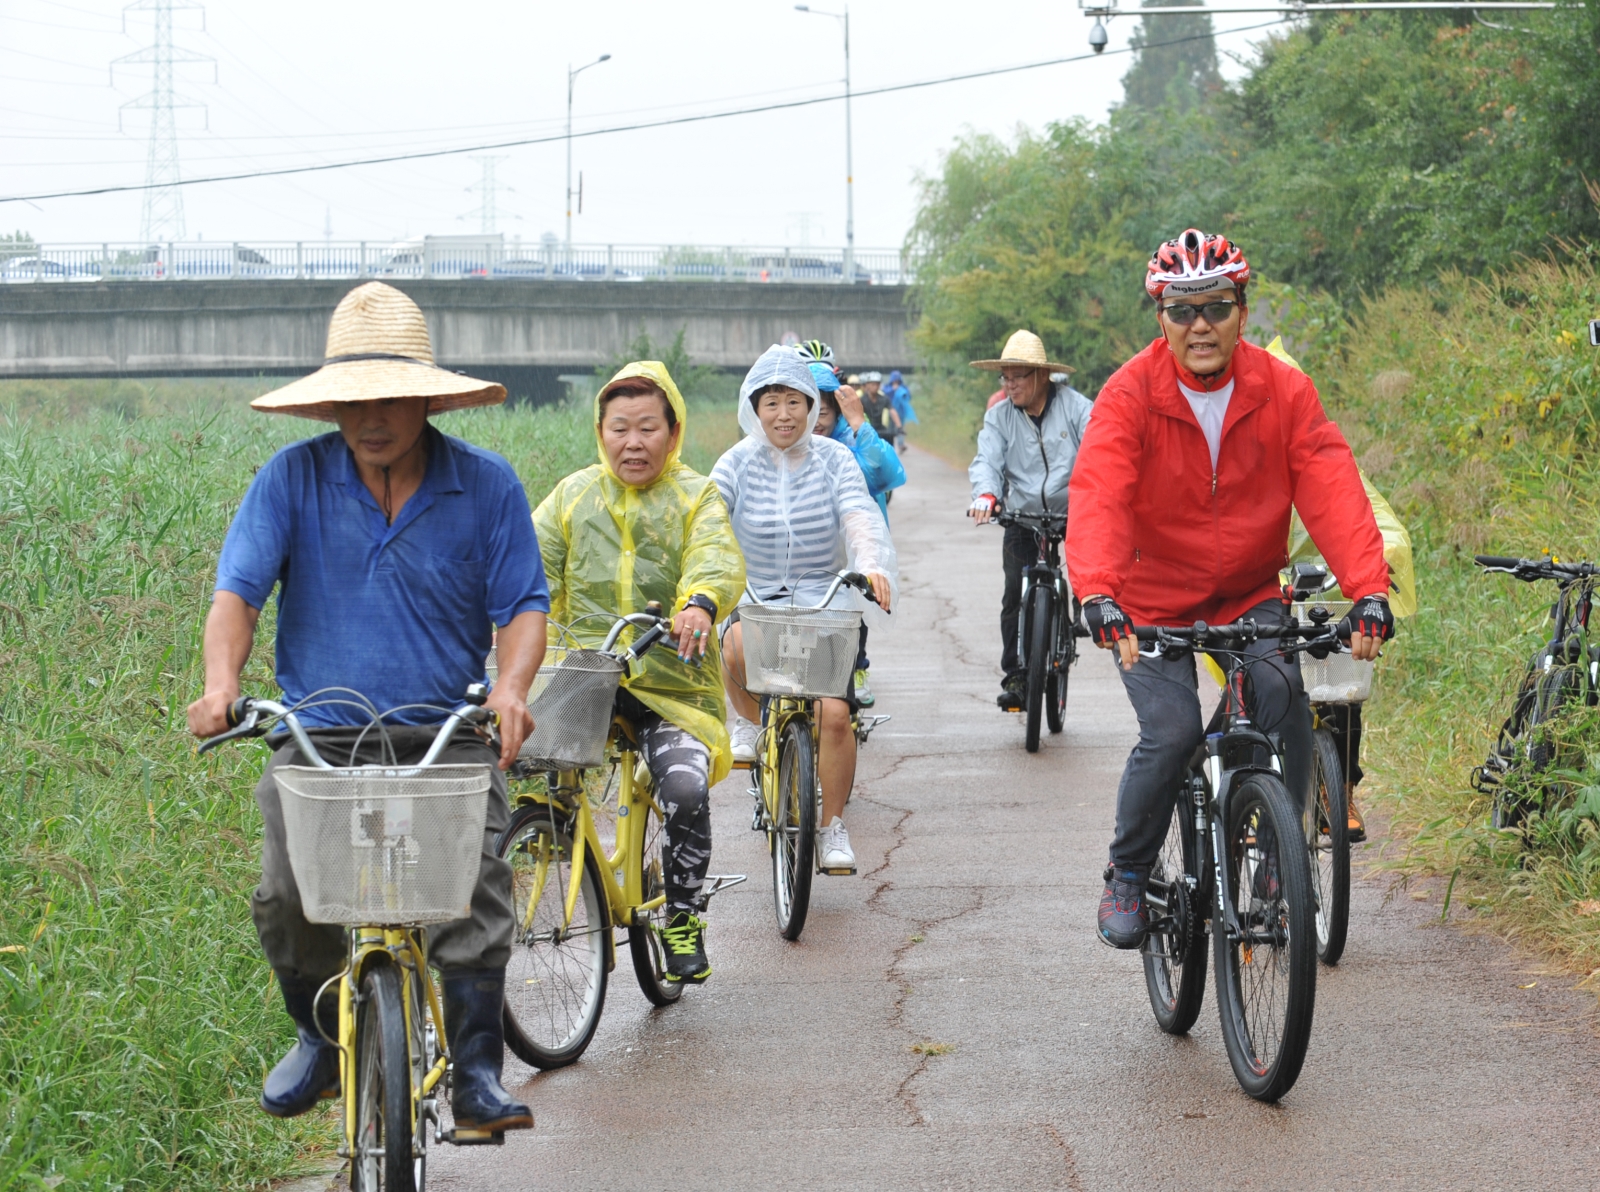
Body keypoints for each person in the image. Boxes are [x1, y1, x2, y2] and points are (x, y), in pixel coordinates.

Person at [185, 282, 547, 1133]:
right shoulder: (290, 480)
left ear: (425, 396)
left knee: (476, 888)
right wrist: (219, 685)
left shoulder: (486, 487)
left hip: (445, 732)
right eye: (352, 400)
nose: (369, 417)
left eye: (388, 398)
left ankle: (477, 1074)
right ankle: (318, 1039)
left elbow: (523, 606)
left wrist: (511, 689)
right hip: (319, 738)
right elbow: (236, 596)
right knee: (285, 894)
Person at [1064, 229, 1395, 949]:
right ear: (1161, 319)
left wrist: (1369, 587)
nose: (1200, 326)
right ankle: (1127, 872)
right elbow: (1099, 494)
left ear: (1242, 310)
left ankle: (1279, 859)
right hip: (1149, 600)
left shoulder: (1282, 389)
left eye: (1216, 306)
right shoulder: (1129, 396)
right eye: (1182, 311)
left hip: (1246, 589)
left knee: (1282, 698)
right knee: (1174, 730)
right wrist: (1097, 591)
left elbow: (1331, 483)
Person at [533, 361, 745, 985]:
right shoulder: (571, 498)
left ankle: (681, 912)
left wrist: (700, 602)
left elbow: (714, 557)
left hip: (669, 683)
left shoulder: (695, 496)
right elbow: (528, 577)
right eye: (619, 427)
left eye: (648, 428)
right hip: (581, 676)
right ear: (600, 432)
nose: (633, 442)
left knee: (683, 788)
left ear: (673, 433)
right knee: (528, 773)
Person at [713, 345, 896, 874]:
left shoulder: (834, 459)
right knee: (735, 645)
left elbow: (859, 513)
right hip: (758, 595)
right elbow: (707, 514)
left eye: (794, 401)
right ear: (754, 408)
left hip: (824, 597)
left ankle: (832, 825)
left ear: (812, 405)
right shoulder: (737, 461)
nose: (784, 414)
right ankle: (749, 724)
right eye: (771, 403)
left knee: (834, 716)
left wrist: (871, 564)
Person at [967, 330, 1094, 711]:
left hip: (1074, 509)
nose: (1010, 385)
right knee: (1012, 594)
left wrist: (1100, 496)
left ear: (1041, 376)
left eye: (1018, 376)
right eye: (1005, 377)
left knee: (1089, 568)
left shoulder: (1077, 408)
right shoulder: (999, 416)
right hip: (1021, 515)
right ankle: (1018, 677)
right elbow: (987, 460)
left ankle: (1079, 609)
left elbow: (1098, 450)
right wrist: (987, 494)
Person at [810, 359, 906, 708]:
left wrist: (859, 421)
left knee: (853, 608)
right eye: (808, 410)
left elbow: (881, 472)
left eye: (824, 412)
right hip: (810, 547)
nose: (815, 421)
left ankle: (858, 667)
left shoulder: (850, 439)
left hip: (852, 541)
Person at [883, 370, 918, 451]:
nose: (896, 382)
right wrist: (893, 389)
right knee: (890, 429)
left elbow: (908, 396)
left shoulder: (903, 388)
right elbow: (884, 393)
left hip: (901, 412)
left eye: (897, 381)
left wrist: (900, 390)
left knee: (900, 428)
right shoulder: (888, 387)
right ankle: (889, 445)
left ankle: (901, 444)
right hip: (890, 411)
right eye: (894, 380)